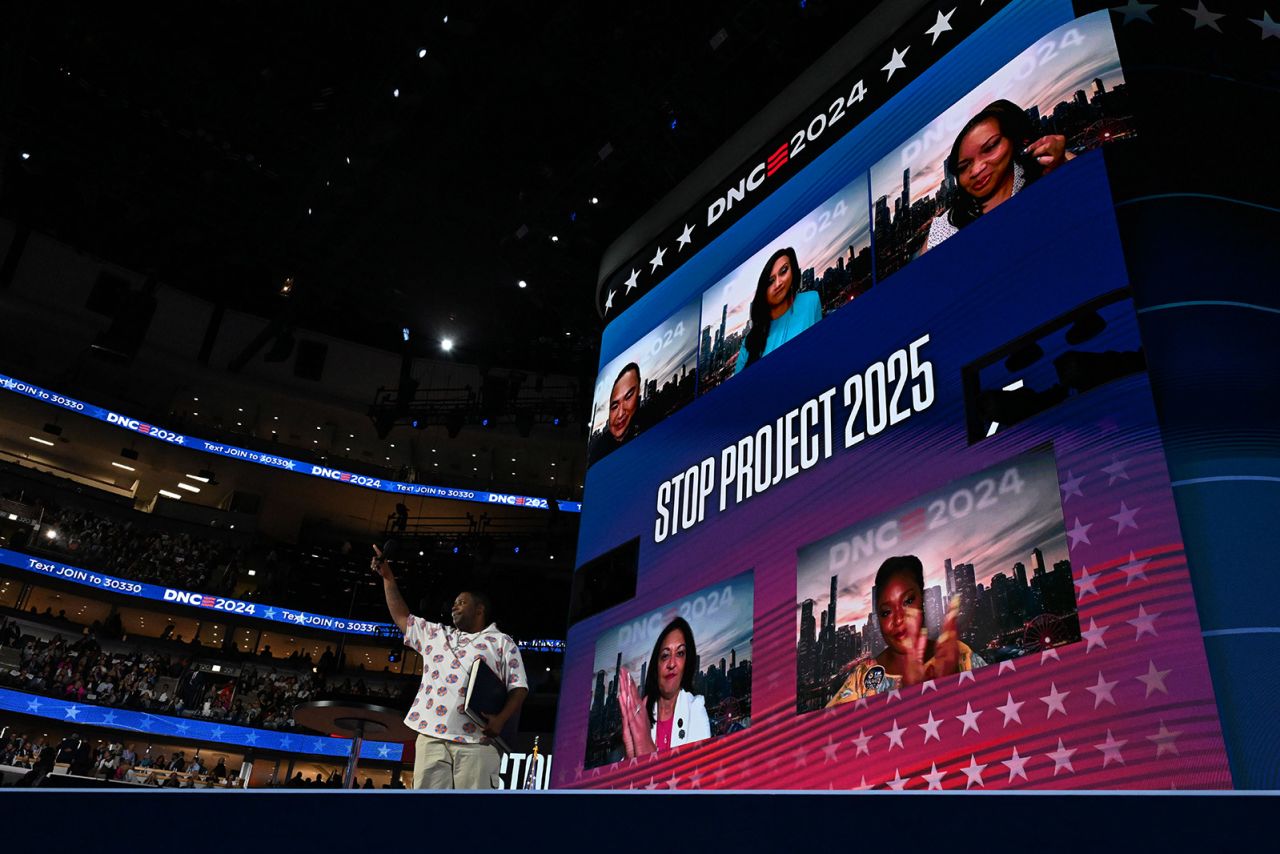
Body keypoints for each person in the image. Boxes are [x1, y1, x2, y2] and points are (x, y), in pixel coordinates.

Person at [371, 545, 528, 789]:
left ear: (479, 610)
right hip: (431, 735)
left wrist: (501, 720)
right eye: (454, 603)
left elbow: (519, 688)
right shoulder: (437, 635)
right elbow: (402, 618)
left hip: (478, 741)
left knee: (472, 814)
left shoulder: (501, 642)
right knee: (428, 813)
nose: (454, 606)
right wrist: (388, 579)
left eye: (461, 602)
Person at [827, 555, 984, 706]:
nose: (898, 619)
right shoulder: (862, 678)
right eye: (886, 612)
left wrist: (952, 684)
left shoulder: (959, 655)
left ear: (922, 601)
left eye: (908, 601)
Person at [925, 99, 1074, 252]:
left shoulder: (1053, 165)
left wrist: (1060, 171)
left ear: (1013, 141)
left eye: (990, 147)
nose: (976, 170)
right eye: (964, 166)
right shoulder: (944, 230)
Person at [615, 617, 711, 757]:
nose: (671, 663)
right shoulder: (640, 718)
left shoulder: (696, 708)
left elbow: (696, 774)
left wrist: (645, 747)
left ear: (687, 663)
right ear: (656, 666)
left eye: (680, 653)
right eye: (665, 655)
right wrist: (630, 758)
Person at [734, 247, 821, 375]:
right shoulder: (750, 341)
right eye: (770, 281)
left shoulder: (811, 300)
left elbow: (820, 350)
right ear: (763, 291)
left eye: (783, 271)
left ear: (793, 272)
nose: (778, 283)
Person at [587, 362, 642, 466]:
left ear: (638, 393)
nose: (620, 414)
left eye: (628, 397)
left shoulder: (648, 426)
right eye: (614, 406)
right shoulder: (598, 450)